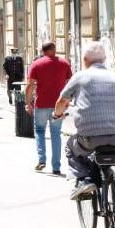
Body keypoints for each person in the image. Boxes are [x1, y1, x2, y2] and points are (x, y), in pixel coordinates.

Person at [54, 41, 115, 225]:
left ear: (84, 60)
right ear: (104, 60)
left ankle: (84, 179)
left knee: (71, 147)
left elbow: (62, 101)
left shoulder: (80, 77)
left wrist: (57, 114)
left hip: (90, 137)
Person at [26, 41, 72, 175]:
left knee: (40, 131)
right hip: (58, 105)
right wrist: (67, 100)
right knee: (56, 134)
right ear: (54, 49)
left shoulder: (36, 64)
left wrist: (28, 102)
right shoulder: (64, 63)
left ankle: (41, 160)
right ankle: (56, 166)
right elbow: (70, 84)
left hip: (41, 104)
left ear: (42, 51)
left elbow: (30, 85)